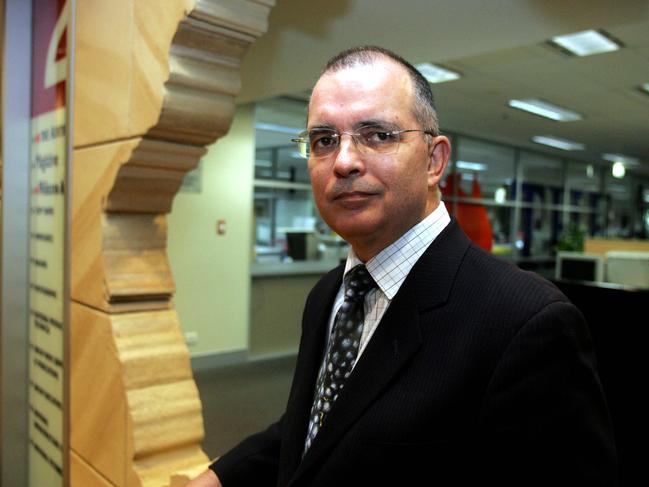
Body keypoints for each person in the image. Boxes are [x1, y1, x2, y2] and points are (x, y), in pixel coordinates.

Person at [188, 46, 617, 487]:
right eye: (323, 140)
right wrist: (221, 475)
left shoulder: (525, 323)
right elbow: (319, 431)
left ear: (435, 161)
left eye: (377, 135)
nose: (344, 161)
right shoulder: (330, 295)